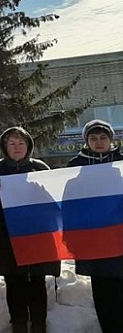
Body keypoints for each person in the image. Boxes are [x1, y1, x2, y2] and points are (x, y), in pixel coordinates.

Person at [0, 127, 59, 333]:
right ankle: (18, 325)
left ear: (28, 145)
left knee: (37, 281)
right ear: (5, 147)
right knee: (14, 282)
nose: (17, 147)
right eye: (12, 143)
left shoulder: (39, 167)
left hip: (37, 236)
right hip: (6, 238)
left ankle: (39, 325)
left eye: (21, 143)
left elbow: (55, 201)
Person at [66, 119, 123, 333]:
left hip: (121, 237)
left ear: (110, 139)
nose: (98, 142)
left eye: (103, 138)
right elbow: (68, 201)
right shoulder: (75, 166)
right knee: (103, 291)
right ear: (86, 141)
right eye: (93, 138)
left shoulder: (121, 162)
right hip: (94, 240)